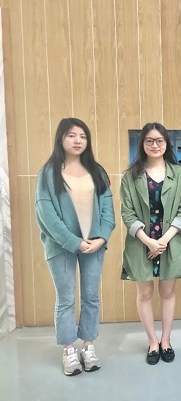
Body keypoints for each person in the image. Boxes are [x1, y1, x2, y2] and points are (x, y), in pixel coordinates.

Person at [35, 118, 115, 376]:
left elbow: (108, 209)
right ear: (61, 139)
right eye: (71, 135)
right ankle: (69, 349)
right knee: (66, 298)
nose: (78, 140)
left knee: (91, 296)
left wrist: (101, 238)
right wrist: (73, 241)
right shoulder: (49, 173)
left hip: (94, 245)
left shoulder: (97, 171)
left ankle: (88, 346)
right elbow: (45, 213)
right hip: (61, 246)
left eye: (82, 136)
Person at [120, 123, 181, 365]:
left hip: (170, 241)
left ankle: (166, 340)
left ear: (167, 144)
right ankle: (152, 342)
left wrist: (163, 241)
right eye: (149, 140)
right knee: (145, 293)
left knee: (168, 292)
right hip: (142, 242)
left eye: (160, 140)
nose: (155, 145)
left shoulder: (179, 174)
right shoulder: (131, 176)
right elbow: (127, 213)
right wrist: (149, 241)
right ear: (142, 144)